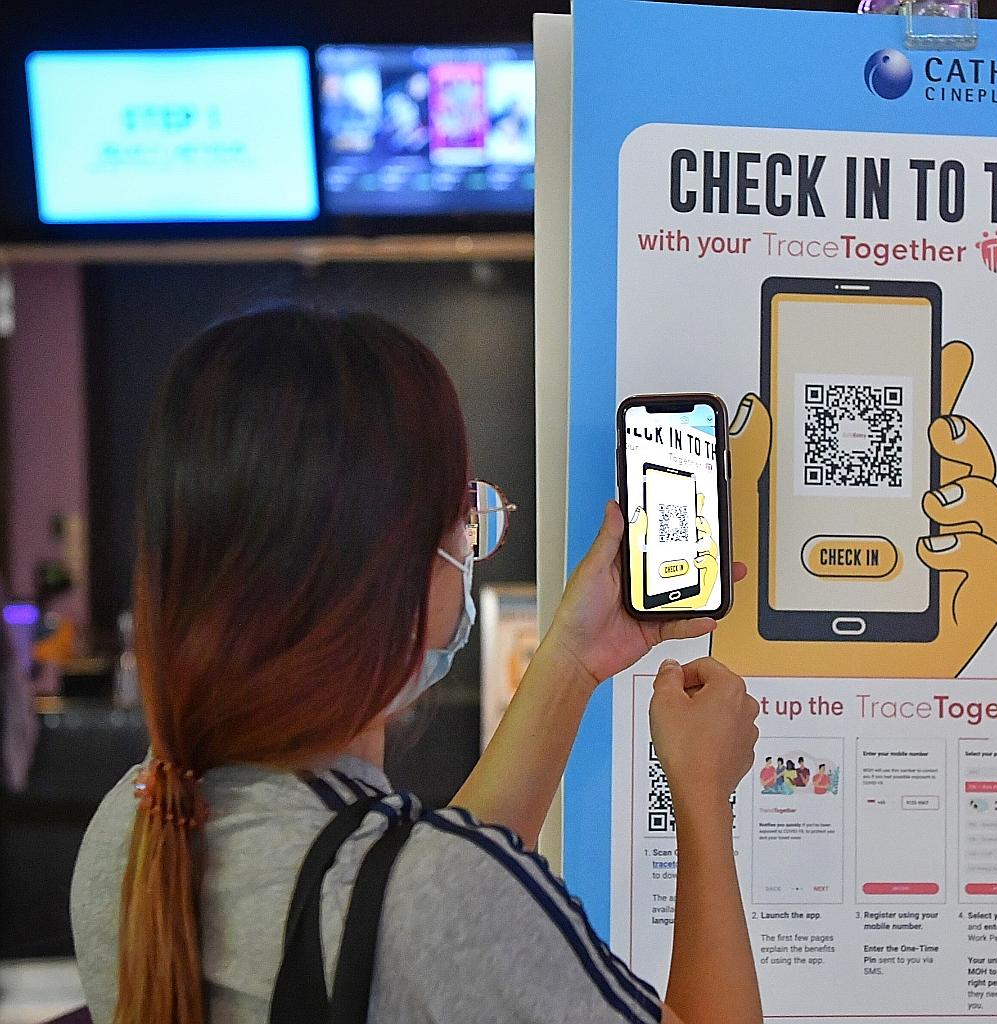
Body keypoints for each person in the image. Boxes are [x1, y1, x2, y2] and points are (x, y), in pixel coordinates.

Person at [68, 308, 763, 1024]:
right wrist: (704, 794)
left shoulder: (134, 830)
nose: (470, 540)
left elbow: (409, 905)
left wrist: (575, 659)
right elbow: (431, 913)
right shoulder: (429, 904)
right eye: (463, 513)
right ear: (392, 567)